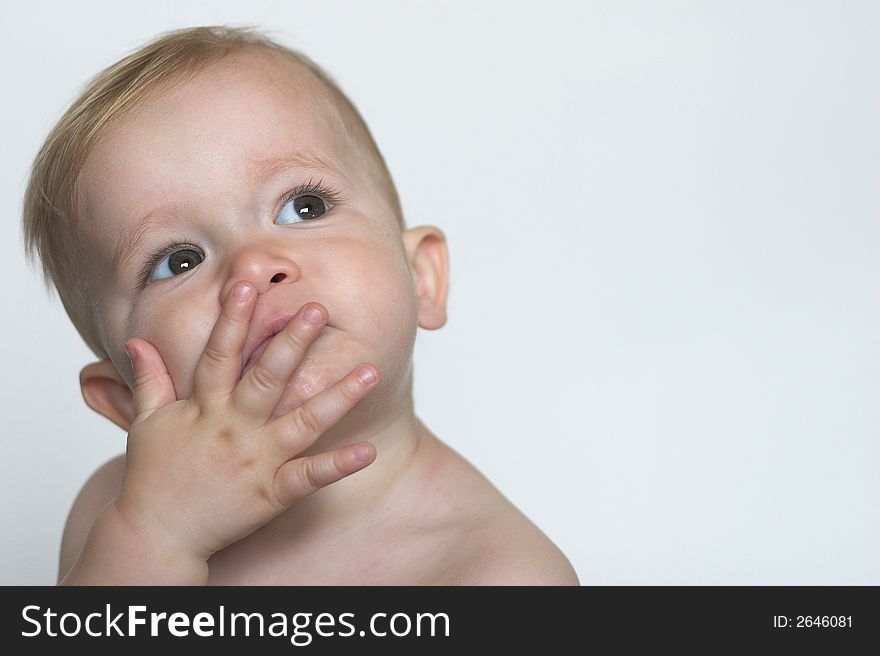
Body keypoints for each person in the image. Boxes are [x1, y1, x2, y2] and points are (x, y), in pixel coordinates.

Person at [22, 25, 578, 585]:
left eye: (303, 207)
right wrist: (154, 536)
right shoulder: (114, 520)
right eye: (178, 261)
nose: (253, 266)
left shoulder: (501, 575)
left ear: (421, 278)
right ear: (126, 400)